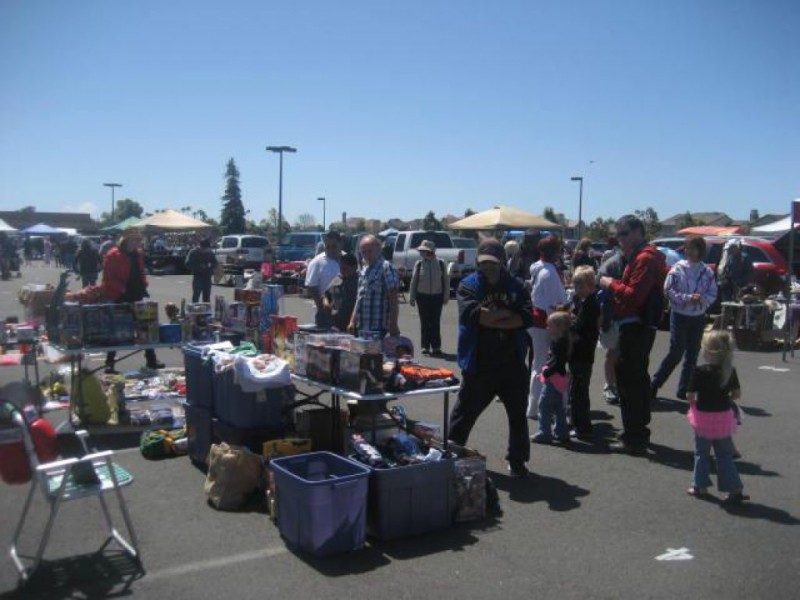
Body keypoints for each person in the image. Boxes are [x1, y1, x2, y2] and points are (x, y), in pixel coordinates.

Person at [449, 239, 534, 478]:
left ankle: (517, 461)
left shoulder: (515, 285)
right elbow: (475, 316)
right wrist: (508, 314)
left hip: (512, 362)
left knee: (518, 416)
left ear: (502, 263)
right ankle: (449, 456)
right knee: (464, 414)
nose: (488, 267)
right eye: (483, 263)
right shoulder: (468, 285)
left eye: (493, 263)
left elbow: (527, 317)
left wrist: (495, 316)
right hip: (479, 363)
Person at [598, 214, 667, 455]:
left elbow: (633, 295)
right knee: (635, 379)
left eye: (624, 233)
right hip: (637, 325)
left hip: (635, 326)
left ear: (639, 231)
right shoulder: (641, 256)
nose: (620, 239)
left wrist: (609, 283)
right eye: (618, 235)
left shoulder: (644, 258)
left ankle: (634, 437)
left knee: (629, 382)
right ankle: (637, 432)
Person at [651, 236, 717, 401]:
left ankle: (684, 388)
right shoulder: (677, 268)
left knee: (692, 354)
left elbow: (712, 293)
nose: (689, 251)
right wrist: (687, 298)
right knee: (676, 351)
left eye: (693, 248)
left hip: (697, 316)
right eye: (687, 248)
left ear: (700, 250)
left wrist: (701, 301)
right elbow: (668, 290)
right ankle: (655, 383)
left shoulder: (707, 272)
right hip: (679, 315)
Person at [686, 330, 748, 503]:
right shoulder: (730, 370)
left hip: (703, 417)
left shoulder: (699, 371)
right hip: (723, 417)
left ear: (707, 351)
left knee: (702, 453)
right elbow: (736, 394)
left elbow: (689, 395)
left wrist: (695, 401)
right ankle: (734, 488)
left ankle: (700, 485)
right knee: (724, 454)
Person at [102, 229, 164, 373]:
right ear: (126, 240)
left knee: (145, 329)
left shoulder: (137, 254)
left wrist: (144, 284)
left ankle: (152, 361)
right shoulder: (113, 255)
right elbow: (108, 278)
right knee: (117, 331)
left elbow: (140, 271)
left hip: (137, 294)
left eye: (138, 240)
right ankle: (109, 364)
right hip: (119, 296)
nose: (137, 242)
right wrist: (122, 289)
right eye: (134, 240)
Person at [527, 236, 567, 419]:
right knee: (545, 365)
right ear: (554, 252)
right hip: (547, 323)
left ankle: (534, 406)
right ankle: (540, 407)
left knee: (538, 364)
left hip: (538, 321)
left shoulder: (537, 267)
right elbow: (554, 305)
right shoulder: (549, 273)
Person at [568, 265, 601, 440]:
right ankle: (576, 422)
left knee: (578, 391)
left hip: (583, 352)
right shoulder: (581, 302)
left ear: (591, 285)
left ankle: (582, 427)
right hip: (579, 352)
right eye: (575, 285)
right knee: (576, 389)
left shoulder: (591, 305)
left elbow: (578, 325)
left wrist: (568, 321)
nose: (577, 289)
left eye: (581, 286)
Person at [531, 311, 572, 444]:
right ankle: (561, 432)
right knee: (558, 407)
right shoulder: (562, 341)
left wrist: (546, 373)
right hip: (559, 378)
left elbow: (557, 362)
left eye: (550, 325)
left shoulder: (559, 343)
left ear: (560, 327)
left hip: (553, 379)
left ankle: (544, 432)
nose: (547, 328)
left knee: (544, 405)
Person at [348, 234, 400, 338]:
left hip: (378, 328)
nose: (367, 255)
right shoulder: (364, 270)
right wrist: (352, 321)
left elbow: (393, 297)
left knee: (375, 354)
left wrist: (393, 323)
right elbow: (359, 298)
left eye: (370, 251)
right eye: (364, 252)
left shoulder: (386, 267)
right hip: (361, 327)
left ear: (379, 250)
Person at [409, 240, 449, 355]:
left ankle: (436, 347)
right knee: (425, 322)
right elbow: (413, 282)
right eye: (421, 251)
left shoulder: (441, 263)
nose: (422, 253)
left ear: (431, 251)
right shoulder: (419, 264)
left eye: (424, 251)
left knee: (435, 322)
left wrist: (446, 296)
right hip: (422, 297)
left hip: (437, 296)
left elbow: (446, 281)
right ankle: (425, 347)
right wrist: (412, 297)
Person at [597, 249, 625, 405]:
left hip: (628, 317)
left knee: (624, 354)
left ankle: (619, 384)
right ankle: (609, 385)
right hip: (612, 316)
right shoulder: (612, 266)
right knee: (612, 353)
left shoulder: (636, 263)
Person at [305, 231, 343, 329]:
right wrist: (321, 307)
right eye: (327, 246)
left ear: (341, 244)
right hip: (325, 312)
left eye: (334, 246)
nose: (331, 249)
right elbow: (311, 286)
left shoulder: (347, 259)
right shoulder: (317, 262)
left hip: (345, 313)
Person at [326, 252, 359, 331]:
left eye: (345, 268)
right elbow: (326, 294)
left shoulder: (360, 282)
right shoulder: (337, 279)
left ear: (354, 267)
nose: (341, 271)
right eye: (340, 268)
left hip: (352, 326)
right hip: (335, 324)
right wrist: (326, 303)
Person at [185, 237, 218, 302]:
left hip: (207, 277)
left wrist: (209, 266)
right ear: (200, 247)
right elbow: (187, 264)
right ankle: (194, 310)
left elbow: (215, 263)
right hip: (198, 276)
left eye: (207, 249)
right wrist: (198, 267)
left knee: (207, 297)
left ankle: (206, 311)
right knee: (196, 296)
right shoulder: (193, 252)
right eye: (205, 249)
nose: (206, 250)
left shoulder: (210, 253)